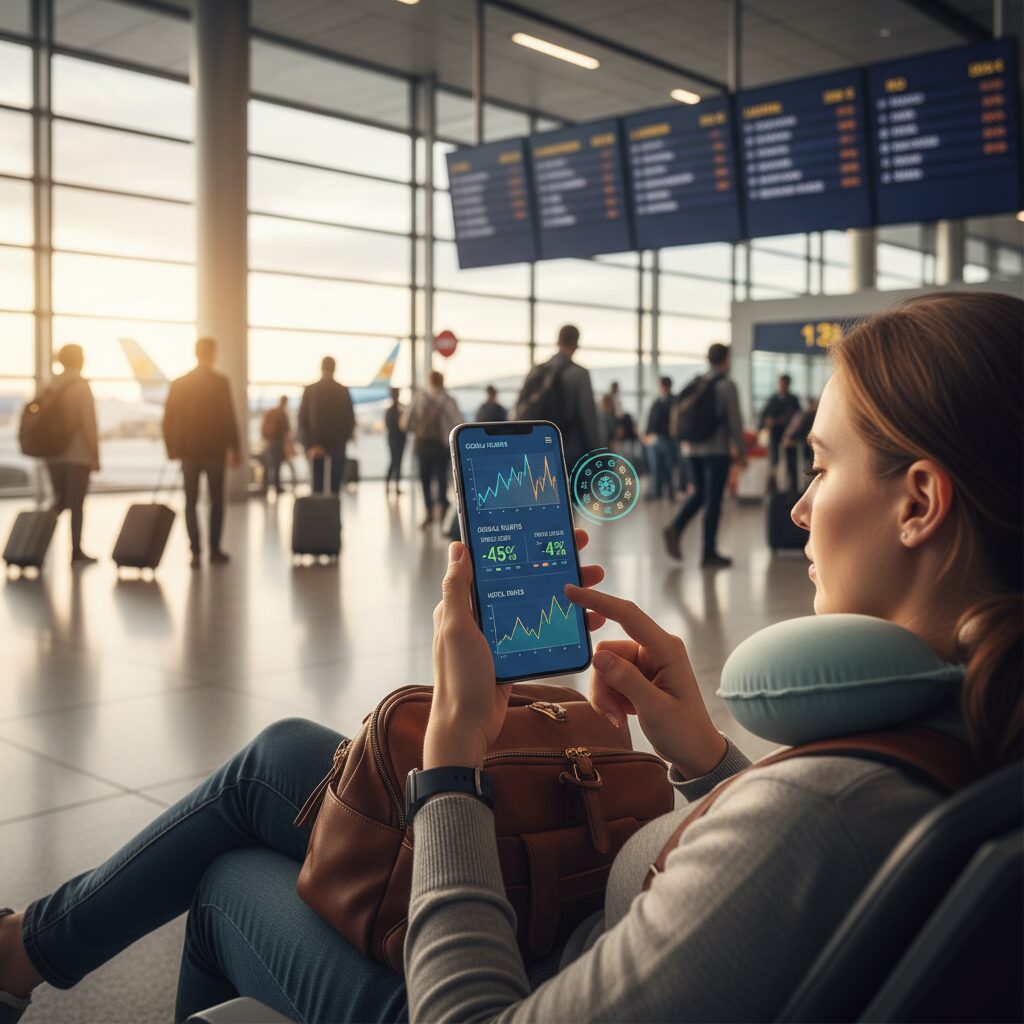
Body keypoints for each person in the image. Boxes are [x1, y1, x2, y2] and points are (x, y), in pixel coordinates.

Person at [1, 292, 1020, 1024]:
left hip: (513, 979)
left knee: (229, 879)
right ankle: (21, 949)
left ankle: (21, 955)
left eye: (822, 466)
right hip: (589, 921)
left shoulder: (824, 809)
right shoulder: (965, 733)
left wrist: (452, 763)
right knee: (277, 759)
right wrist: (708, 761)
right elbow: (793, 890)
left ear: (918, 502)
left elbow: (796, 848)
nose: (797, 507)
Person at [663, 342, 747, 567]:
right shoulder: (727, 386)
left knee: (699, 494)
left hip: (691, 450)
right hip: (716, 451)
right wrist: (742, 452)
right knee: (713, 501)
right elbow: (735, 422)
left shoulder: (696, 382)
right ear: (725, 360)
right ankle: (708, 552)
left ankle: (676, 526)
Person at [163, 337, 241, 569]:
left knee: (191, 501)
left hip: (188, 452)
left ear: (195, 353)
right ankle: (215, 549)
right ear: (214, 353)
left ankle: (195, 551)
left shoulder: (180, 383)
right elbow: (228, 416)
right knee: (217, 501)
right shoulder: (219, 382)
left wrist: (171, 448)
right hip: (214, 451)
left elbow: (168, 418)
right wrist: (235, 447)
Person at [515, 325, 600, 472]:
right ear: (576, 345)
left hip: (539, 449)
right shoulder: (579, 374)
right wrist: (597, 454)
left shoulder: (537, 370)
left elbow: (520, 407)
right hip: (570, 451)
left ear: (558, 341)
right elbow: (588, 419)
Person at [44, 344, 99, 565]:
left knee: (59, 501)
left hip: (52, 454)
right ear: (79, 360)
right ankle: (76, 550)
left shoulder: (51, 384)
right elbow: (88, 424)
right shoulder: (80, 386)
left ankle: (37, 541)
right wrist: (94, 456)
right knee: (76, 504)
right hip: (77, 454)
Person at [405, 370, 461, 528]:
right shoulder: (448, 400)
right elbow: (457, 422)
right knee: (441, 477)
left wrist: (418, 429)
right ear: (442, 382)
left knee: (425, 479)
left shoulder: (420, 398)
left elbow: (407, 422)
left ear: (429, 381)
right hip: (441, 445)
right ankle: (442, 510)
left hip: (422, 443)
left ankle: (429, 512)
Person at [298, 357, 356, 497]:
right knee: (334, 490)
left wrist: (311, 445)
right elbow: (349, 421)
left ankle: (318, 512)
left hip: (316, 449)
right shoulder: (342, 391)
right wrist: (337, 446)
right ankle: (333, 511)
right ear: (335, 368)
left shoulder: (310, 390)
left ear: (321, 368)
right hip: (336, 449)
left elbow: (302, 421)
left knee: (317, 490)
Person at [759, 374, 801, 493]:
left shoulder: (793, 400)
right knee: (774, 462)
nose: (782, 386)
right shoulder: (772, 399)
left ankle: (793, 491)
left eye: (784, 384)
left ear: (788, 385)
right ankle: (773, 491)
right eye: (780, 383)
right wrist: (768, 422)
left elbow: (798, 417)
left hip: (790, 436)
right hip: (775, 435)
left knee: (791, 464)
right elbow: (763, 417)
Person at [644, 376, 676, 500]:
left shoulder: (673, 401)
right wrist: (648, 434)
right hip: (655, 438)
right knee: (655, 467)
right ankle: (657, 492)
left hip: (667, 438)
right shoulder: (657, 402)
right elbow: (651, 420)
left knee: (668, 466)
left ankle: (670, 491)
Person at [782, 395, 819, 491]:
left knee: (805, 473)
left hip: (803, 449)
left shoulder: (804, 414)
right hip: (806, 449)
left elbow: (799, 431)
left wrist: (793, 440)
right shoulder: (810, 415)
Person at [260, 396, 291, 496]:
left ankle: (264, 486)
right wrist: (288, 444)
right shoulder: (282, 414)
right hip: (278, 442)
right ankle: (277, 486)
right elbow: (286, 430)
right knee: (277, 464)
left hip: (269, 441)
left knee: (268, 463)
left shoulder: (272, 411)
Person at [384, 387, 407, 498]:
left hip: (399, 439)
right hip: (394, 439)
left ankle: (395, 486)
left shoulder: (400, 409)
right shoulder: (392, 410)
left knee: (398, 462)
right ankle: (388, 485)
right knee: (394, 462)